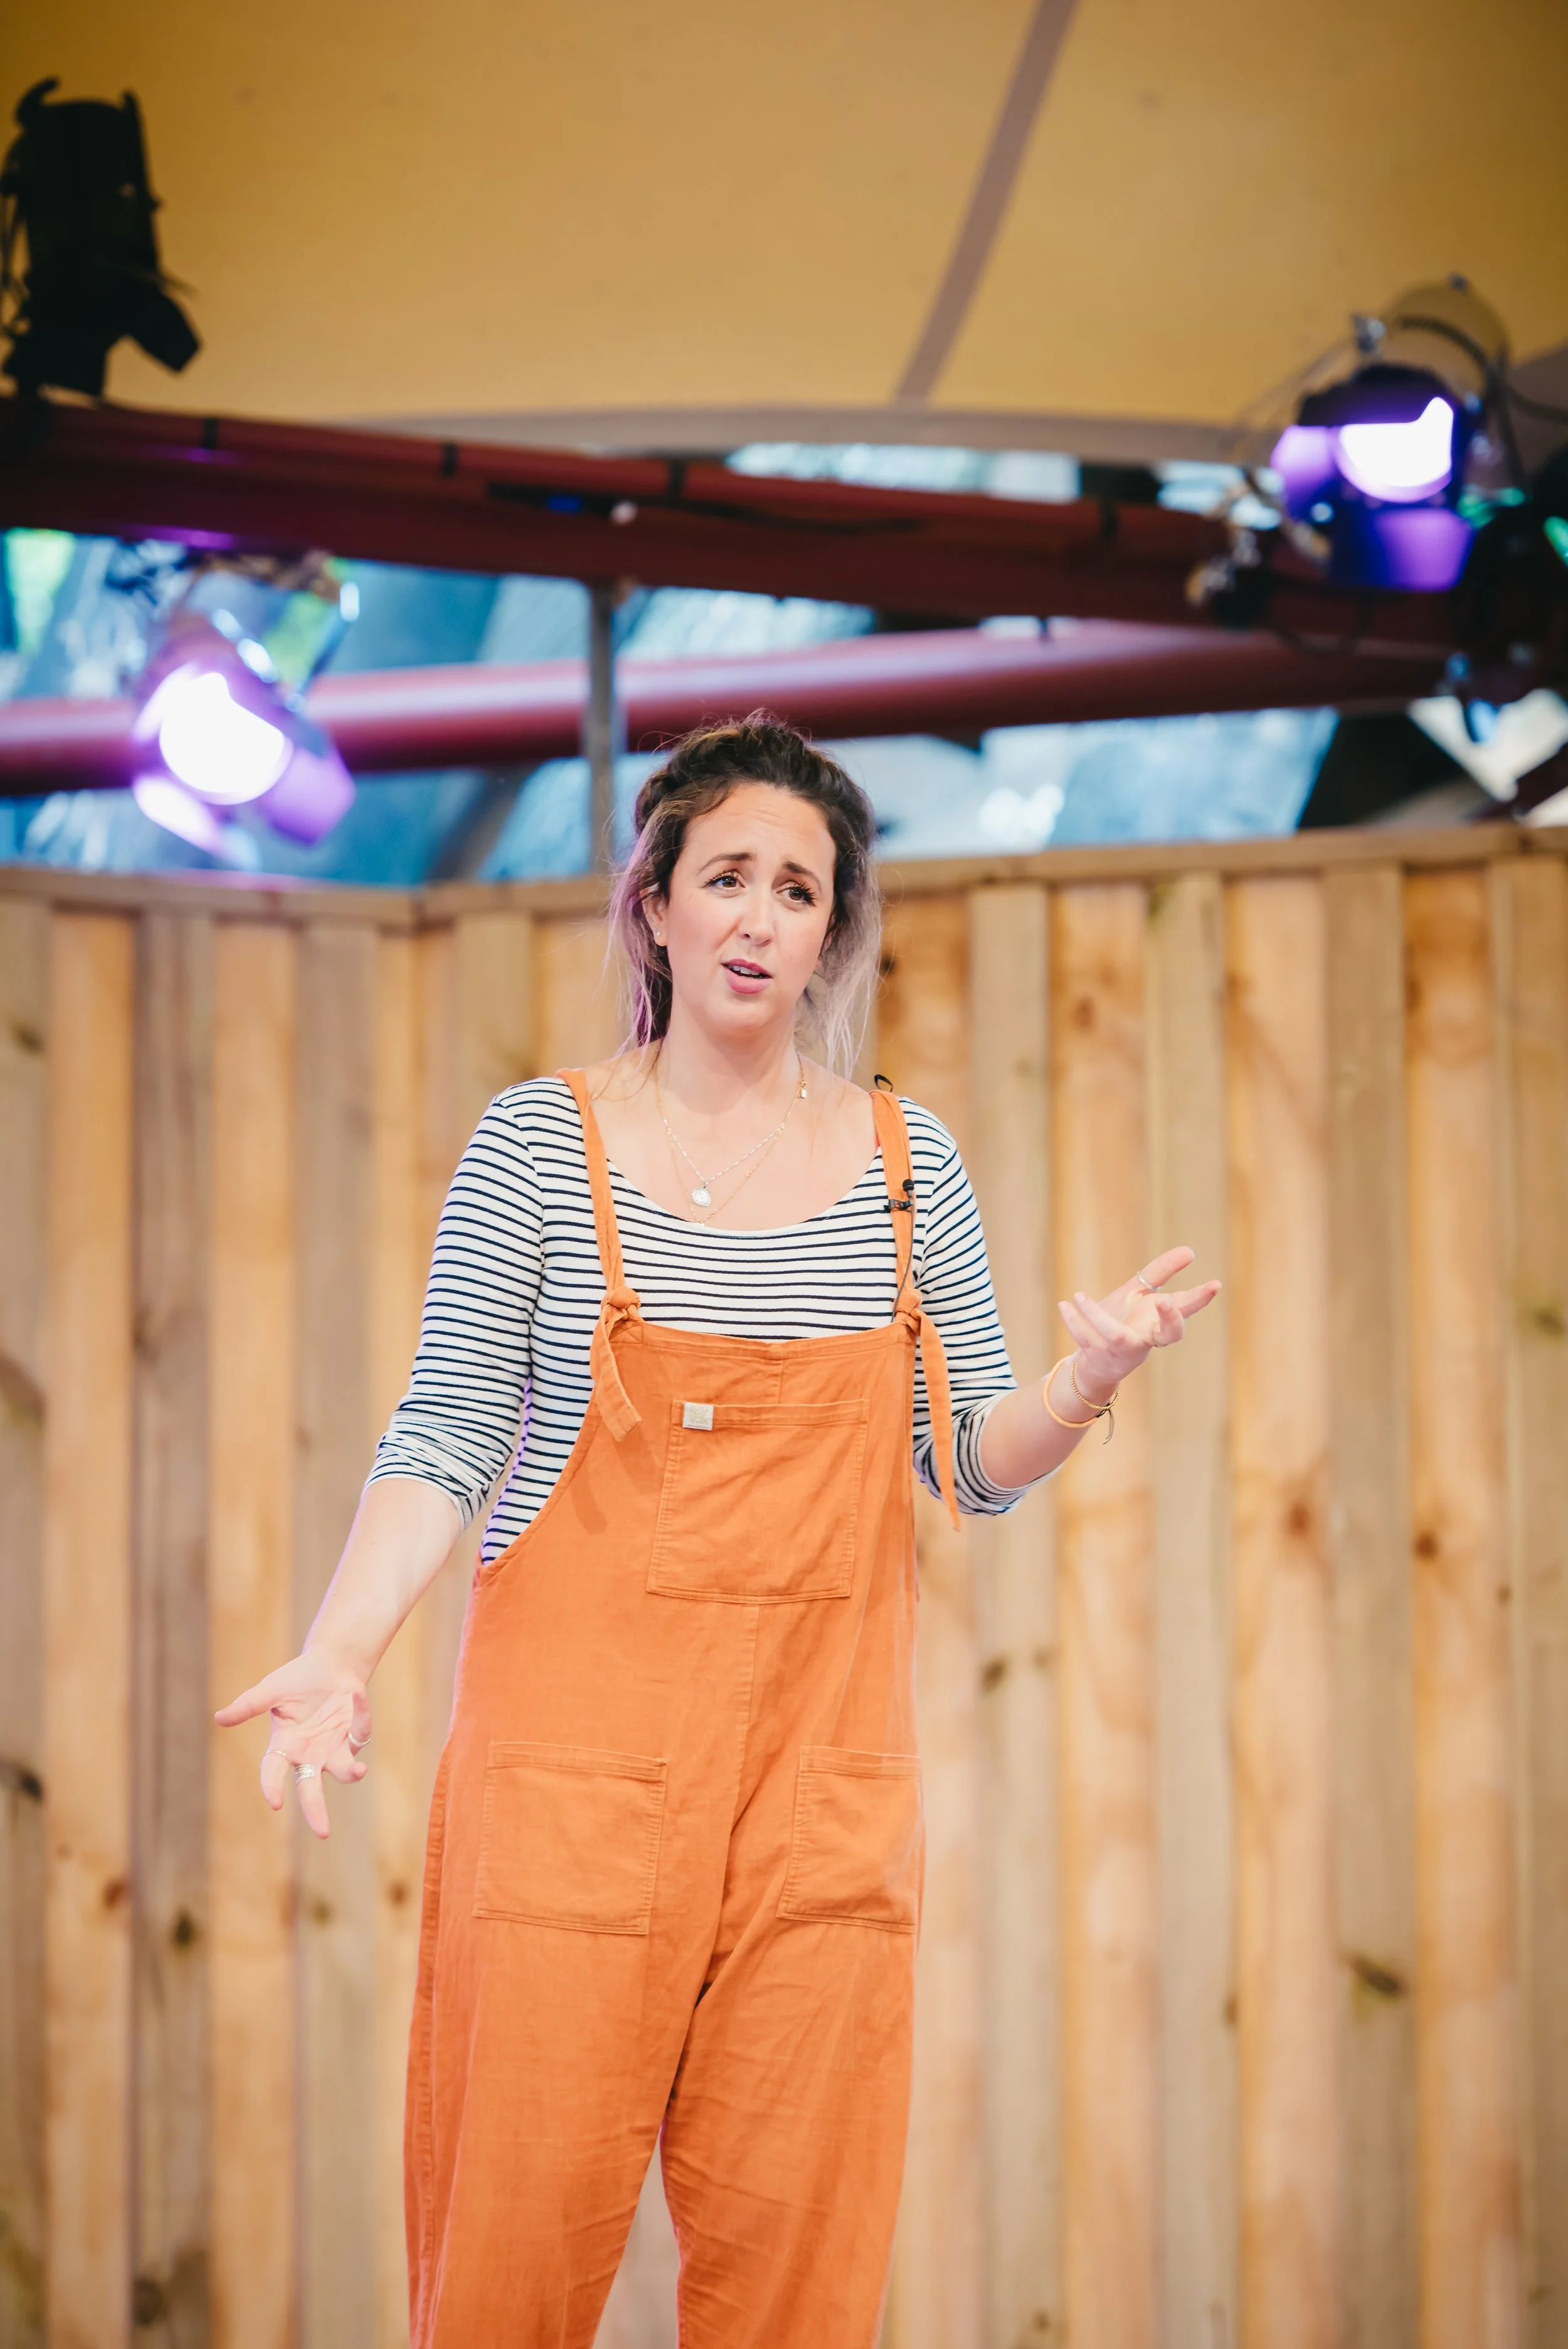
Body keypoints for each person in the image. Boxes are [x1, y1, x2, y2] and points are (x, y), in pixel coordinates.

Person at [216, 717, 1218, 2348]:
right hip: (570, 1815)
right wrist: (340, 1654)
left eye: (800, 891)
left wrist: (1085, 1379)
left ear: (833, 932)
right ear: (656, 907)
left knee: (800, 2290)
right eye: (729, 879)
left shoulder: (907, 1164)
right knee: (508, 2271)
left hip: (822, 1824)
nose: (760, 917)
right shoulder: (540, 1145)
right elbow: (448, 1432)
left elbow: (968, 1462)